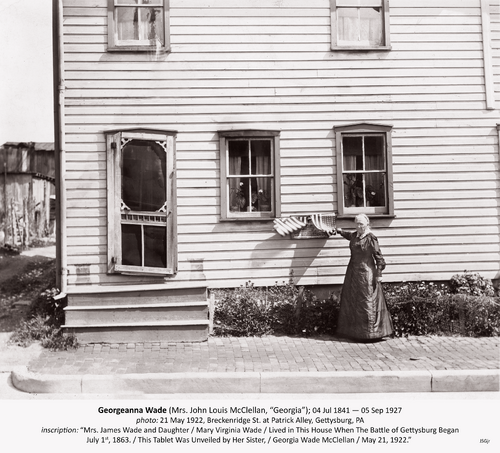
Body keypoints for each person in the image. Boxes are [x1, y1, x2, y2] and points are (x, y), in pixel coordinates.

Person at [332, 214, 393, 342]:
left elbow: (379, 258)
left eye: (361, 224)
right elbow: (348, 235)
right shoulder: (354, 235)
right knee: (353, 300)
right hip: (353, 272)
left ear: (367, 224)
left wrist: (379, 274)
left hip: (367, 272)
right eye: (357, 224)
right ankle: (354, 332)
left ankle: (369, 333)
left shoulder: (371, 238)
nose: (359, 226)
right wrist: (339, 231)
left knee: (366, 302)